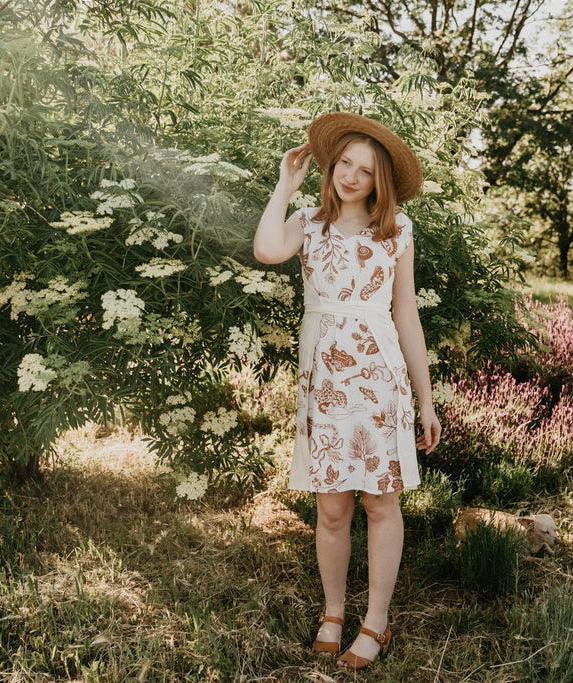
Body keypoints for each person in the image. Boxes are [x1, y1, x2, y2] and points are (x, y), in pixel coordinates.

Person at [253, 112, 442, 671]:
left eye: (365, 170)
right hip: (325, 380)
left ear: (380, 180)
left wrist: (426, 399)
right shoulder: (309, 223)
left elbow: (406, 317)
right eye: (344, 164)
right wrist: (285, 184)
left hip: (379, 379)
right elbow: (267, 250)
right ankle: (333, 611)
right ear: (330, 166)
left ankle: (376, 620)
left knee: (381, 501)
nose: (351, 177)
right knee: (331, 507)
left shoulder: (396, 231)